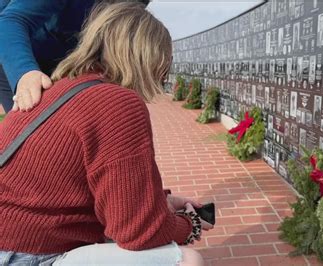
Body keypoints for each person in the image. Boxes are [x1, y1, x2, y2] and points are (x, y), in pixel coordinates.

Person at [0, 3, 212, 265]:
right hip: (23, 254)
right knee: (188, 260)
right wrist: (188, 225)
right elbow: (139, 232)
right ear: (151, 57)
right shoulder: (117, 102)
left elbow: (108, 186)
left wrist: (162, 201)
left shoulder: (61, 89)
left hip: (13, 240)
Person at [0, 0, 151, 114]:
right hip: (13, 49)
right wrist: (24, 73)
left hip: (63, 53)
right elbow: (10, 21)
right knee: (35, 124)